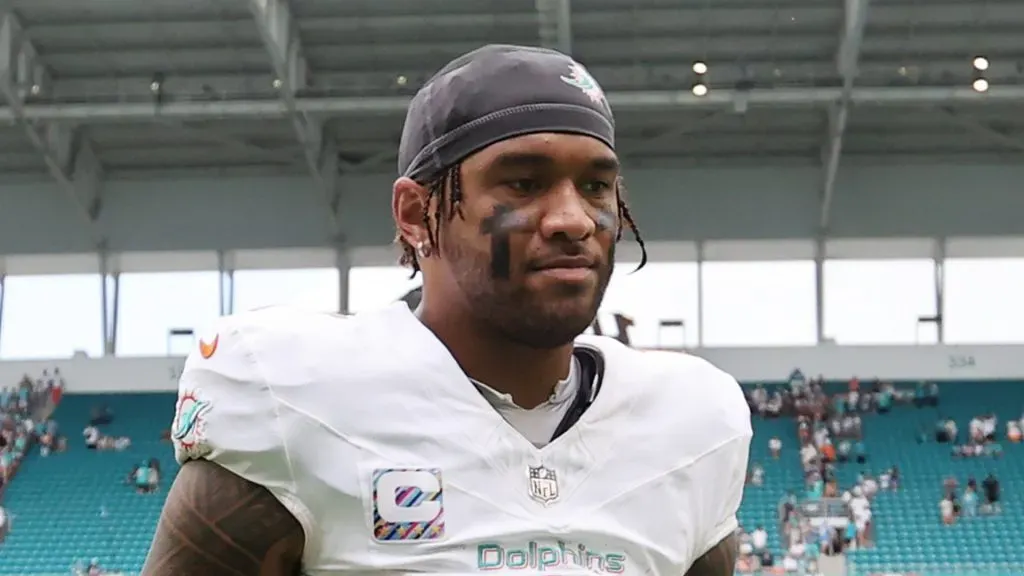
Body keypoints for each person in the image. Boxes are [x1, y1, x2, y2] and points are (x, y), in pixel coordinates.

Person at [143, 44, 751, 576]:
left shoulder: (690, 423)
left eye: (596, 186)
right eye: (522, 183)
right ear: (414, 214)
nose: (573, 218)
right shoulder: (296, 397)